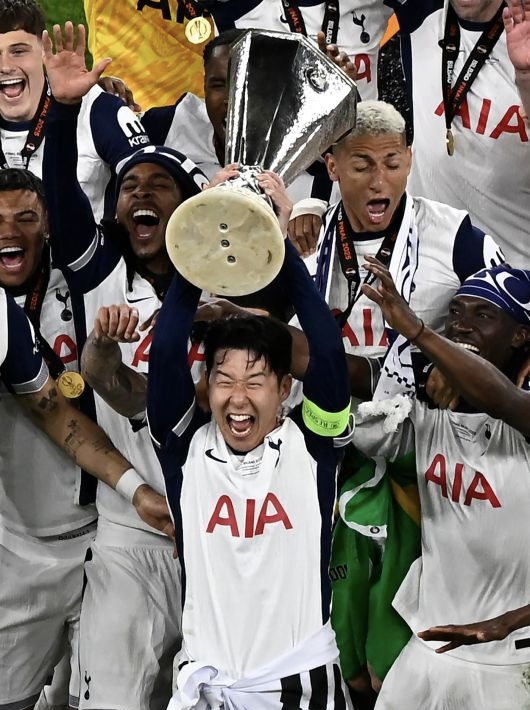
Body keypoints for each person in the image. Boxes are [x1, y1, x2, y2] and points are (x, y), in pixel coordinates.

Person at [40, 23, 208, 710]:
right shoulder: (101, 275)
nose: (141, 193)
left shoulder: (227, 285)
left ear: (189, 207)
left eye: (160, 185)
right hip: (130, 530)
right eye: (129, 184)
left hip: (220, 529)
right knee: (112, 698)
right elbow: (60, 200)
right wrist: (62, 111)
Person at [312, 99, 504, 699]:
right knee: (341, 643)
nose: (380, 181)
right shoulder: (308, 240)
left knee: (397, 647)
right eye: (363, 165)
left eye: (393, 163)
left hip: (425, 460)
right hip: (337, 451)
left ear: (410, 160)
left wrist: (462, 365)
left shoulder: (457, 234)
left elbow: (510, 323)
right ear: (332, 165)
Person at [146, 167, 353, 709]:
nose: (238, 398)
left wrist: (275, 237)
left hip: (301, 688)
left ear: (284, 388)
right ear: (206, 383)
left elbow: (329, 354)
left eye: (255, 381)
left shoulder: (313, 451)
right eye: (224, 379)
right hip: (207, 688)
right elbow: (165, 352)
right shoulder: (185, 452)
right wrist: (203, 228)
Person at [349, 258, 530, 709]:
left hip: (508, 664)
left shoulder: (521, 420)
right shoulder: (428, 408)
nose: (462, 325)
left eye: (483, 314)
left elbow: (505, 399)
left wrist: (418, 332)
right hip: (427, 649)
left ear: (520, 335)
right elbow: (330, 364)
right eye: (455, 312)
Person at [0, 280, 172, 710]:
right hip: (14, 556)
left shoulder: (4, 313)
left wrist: (137, 492)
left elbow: (58, 416)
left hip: (101, 541)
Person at [140, 29, 347, 261]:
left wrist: (320, 207)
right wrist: (108, 97)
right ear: (204, 86)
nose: (231, 99)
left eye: (246, 85)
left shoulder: (314, 162)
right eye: (218, 84)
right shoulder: (166, 127)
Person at [383, 0, 530, 267]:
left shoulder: (524, 26)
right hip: (427, 263)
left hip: (513, 271)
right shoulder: (421, 11)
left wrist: (526, 75)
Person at [0, 1, 149, 220]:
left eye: (18, 51)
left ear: (43, 51)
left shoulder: (97, 109)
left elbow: (151, 183)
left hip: (86, 241)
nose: (5, 66)